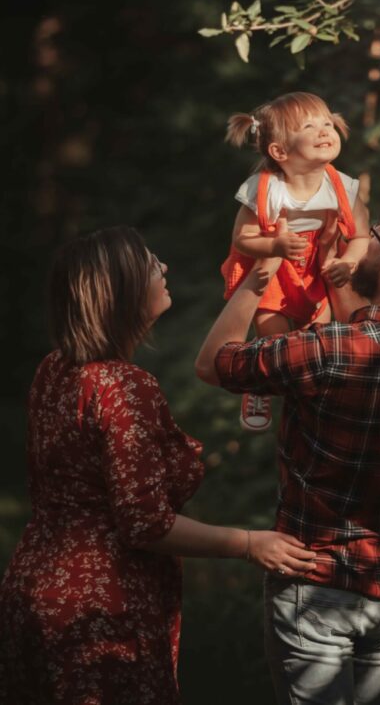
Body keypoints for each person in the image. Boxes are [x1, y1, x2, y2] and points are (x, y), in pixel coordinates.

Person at [0, 226, 316, 705]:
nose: (163, 268)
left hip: (33, 587)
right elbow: (146, 526)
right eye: (151, 264)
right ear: (123, 291)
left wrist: (262, 273)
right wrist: (251, 544)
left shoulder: (55, 368)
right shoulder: (125, 388)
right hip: (102, 608)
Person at [196, 202, 380, 705]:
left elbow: (213, 364)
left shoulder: (324, 352)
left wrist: (258, 275)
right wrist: (335, 265)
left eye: (376, 234)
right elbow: (372, 338)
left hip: (316, 584)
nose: (362, 238)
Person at [221, 91, 370, 432]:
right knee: (273, 339)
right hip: (270, 269)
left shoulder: (342, 188)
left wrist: (348, 261)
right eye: (309, 126)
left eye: (327, 123)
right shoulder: (266, 189)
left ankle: (308, 399)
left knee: (314, 336)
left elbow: (361, 235)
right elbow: (241, 240)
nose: (324, 131)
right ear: (280, 151)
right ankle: (259, 384)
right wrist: (274, 244)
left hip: (314, 267)